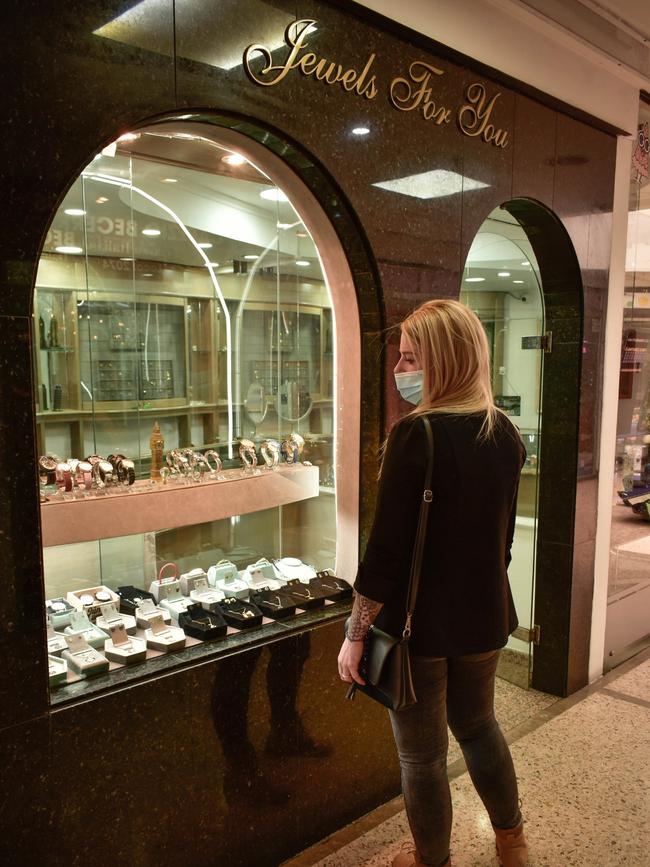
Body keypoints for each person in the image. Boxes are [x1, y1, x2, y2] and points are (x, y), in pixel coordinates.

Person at [338, 299, 529, 867]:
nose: (400, 371)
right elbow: (505, 541)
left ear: (445, 361)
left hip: (416, 628)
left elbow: (386, 552)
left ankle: (430, 860)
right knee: (479, 727)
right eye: (400, 359)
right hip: (485, 618)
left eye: (411, 359)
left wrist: (355, 633)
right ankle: (511, 842)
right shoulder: (505, 433)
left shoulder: (415, 435)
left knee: (421, 758)